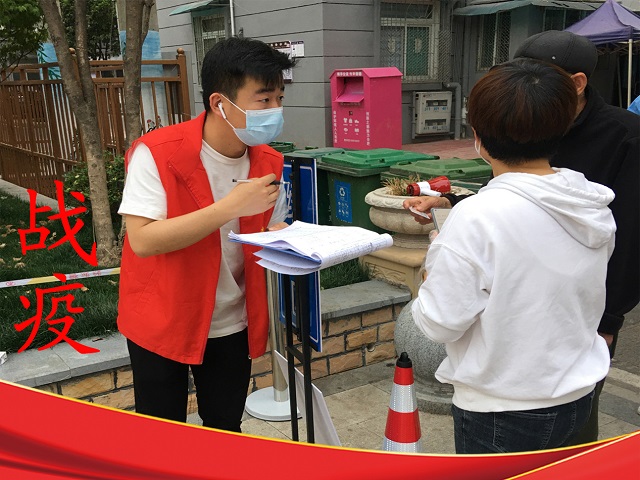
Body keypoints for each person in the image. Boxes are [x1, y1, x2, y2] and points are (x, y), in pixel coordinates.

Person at [405, 30, 639, 443]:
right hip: (573, 386)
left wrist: (432, 275)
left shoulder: (479, 218)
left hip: (503, 405)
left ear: (477, 136)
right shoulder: (589, 199)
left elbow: (440, 322)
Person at [117, 37, 295, 432]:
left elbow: (268, 228)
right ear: (219, 103)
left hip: (232, 321)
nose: (275, 110)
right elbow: (142, 240)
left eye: (280, 99)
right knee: (162, 433)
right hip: (163, 317)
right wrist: (228, 208)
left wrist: (283, 238)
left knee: (225, 426)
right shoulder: (157, 152)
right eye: (263, 100)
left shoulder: (268, 160)